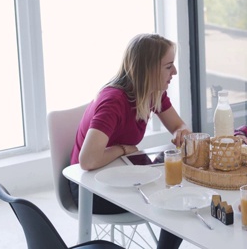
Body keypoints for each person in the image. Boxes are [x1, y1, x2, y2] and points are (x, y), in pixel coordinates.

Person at [69, 33, 192, 249]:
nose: (174, 72)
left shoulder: (152, 92)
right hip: (88, 188)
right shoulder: (113, 102)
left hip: (121, 176)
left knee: (178, 189)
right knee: (174, 200)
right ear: (149, 69)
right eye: (168, 66)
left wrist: (181, 132)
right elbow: (87, 161)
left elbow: (178, 125)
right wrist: (123, 149)